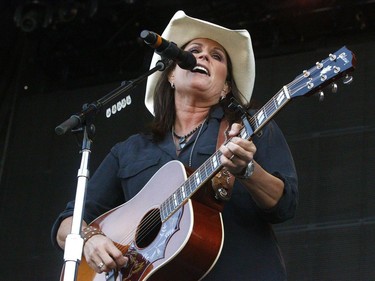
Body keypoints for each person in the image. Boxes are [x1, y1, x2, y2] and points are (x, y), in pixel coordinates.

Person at [52, 10, 298, 281]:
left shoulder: (248, 129)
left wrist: (247, 171)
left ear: (226, 87)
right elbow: (68, 223)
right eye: (194, 50)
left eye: (217, 56)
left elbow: (284, 205)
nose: (203, 56)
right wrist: (89, 239)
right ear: (170, 74)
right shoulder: (130, 150)